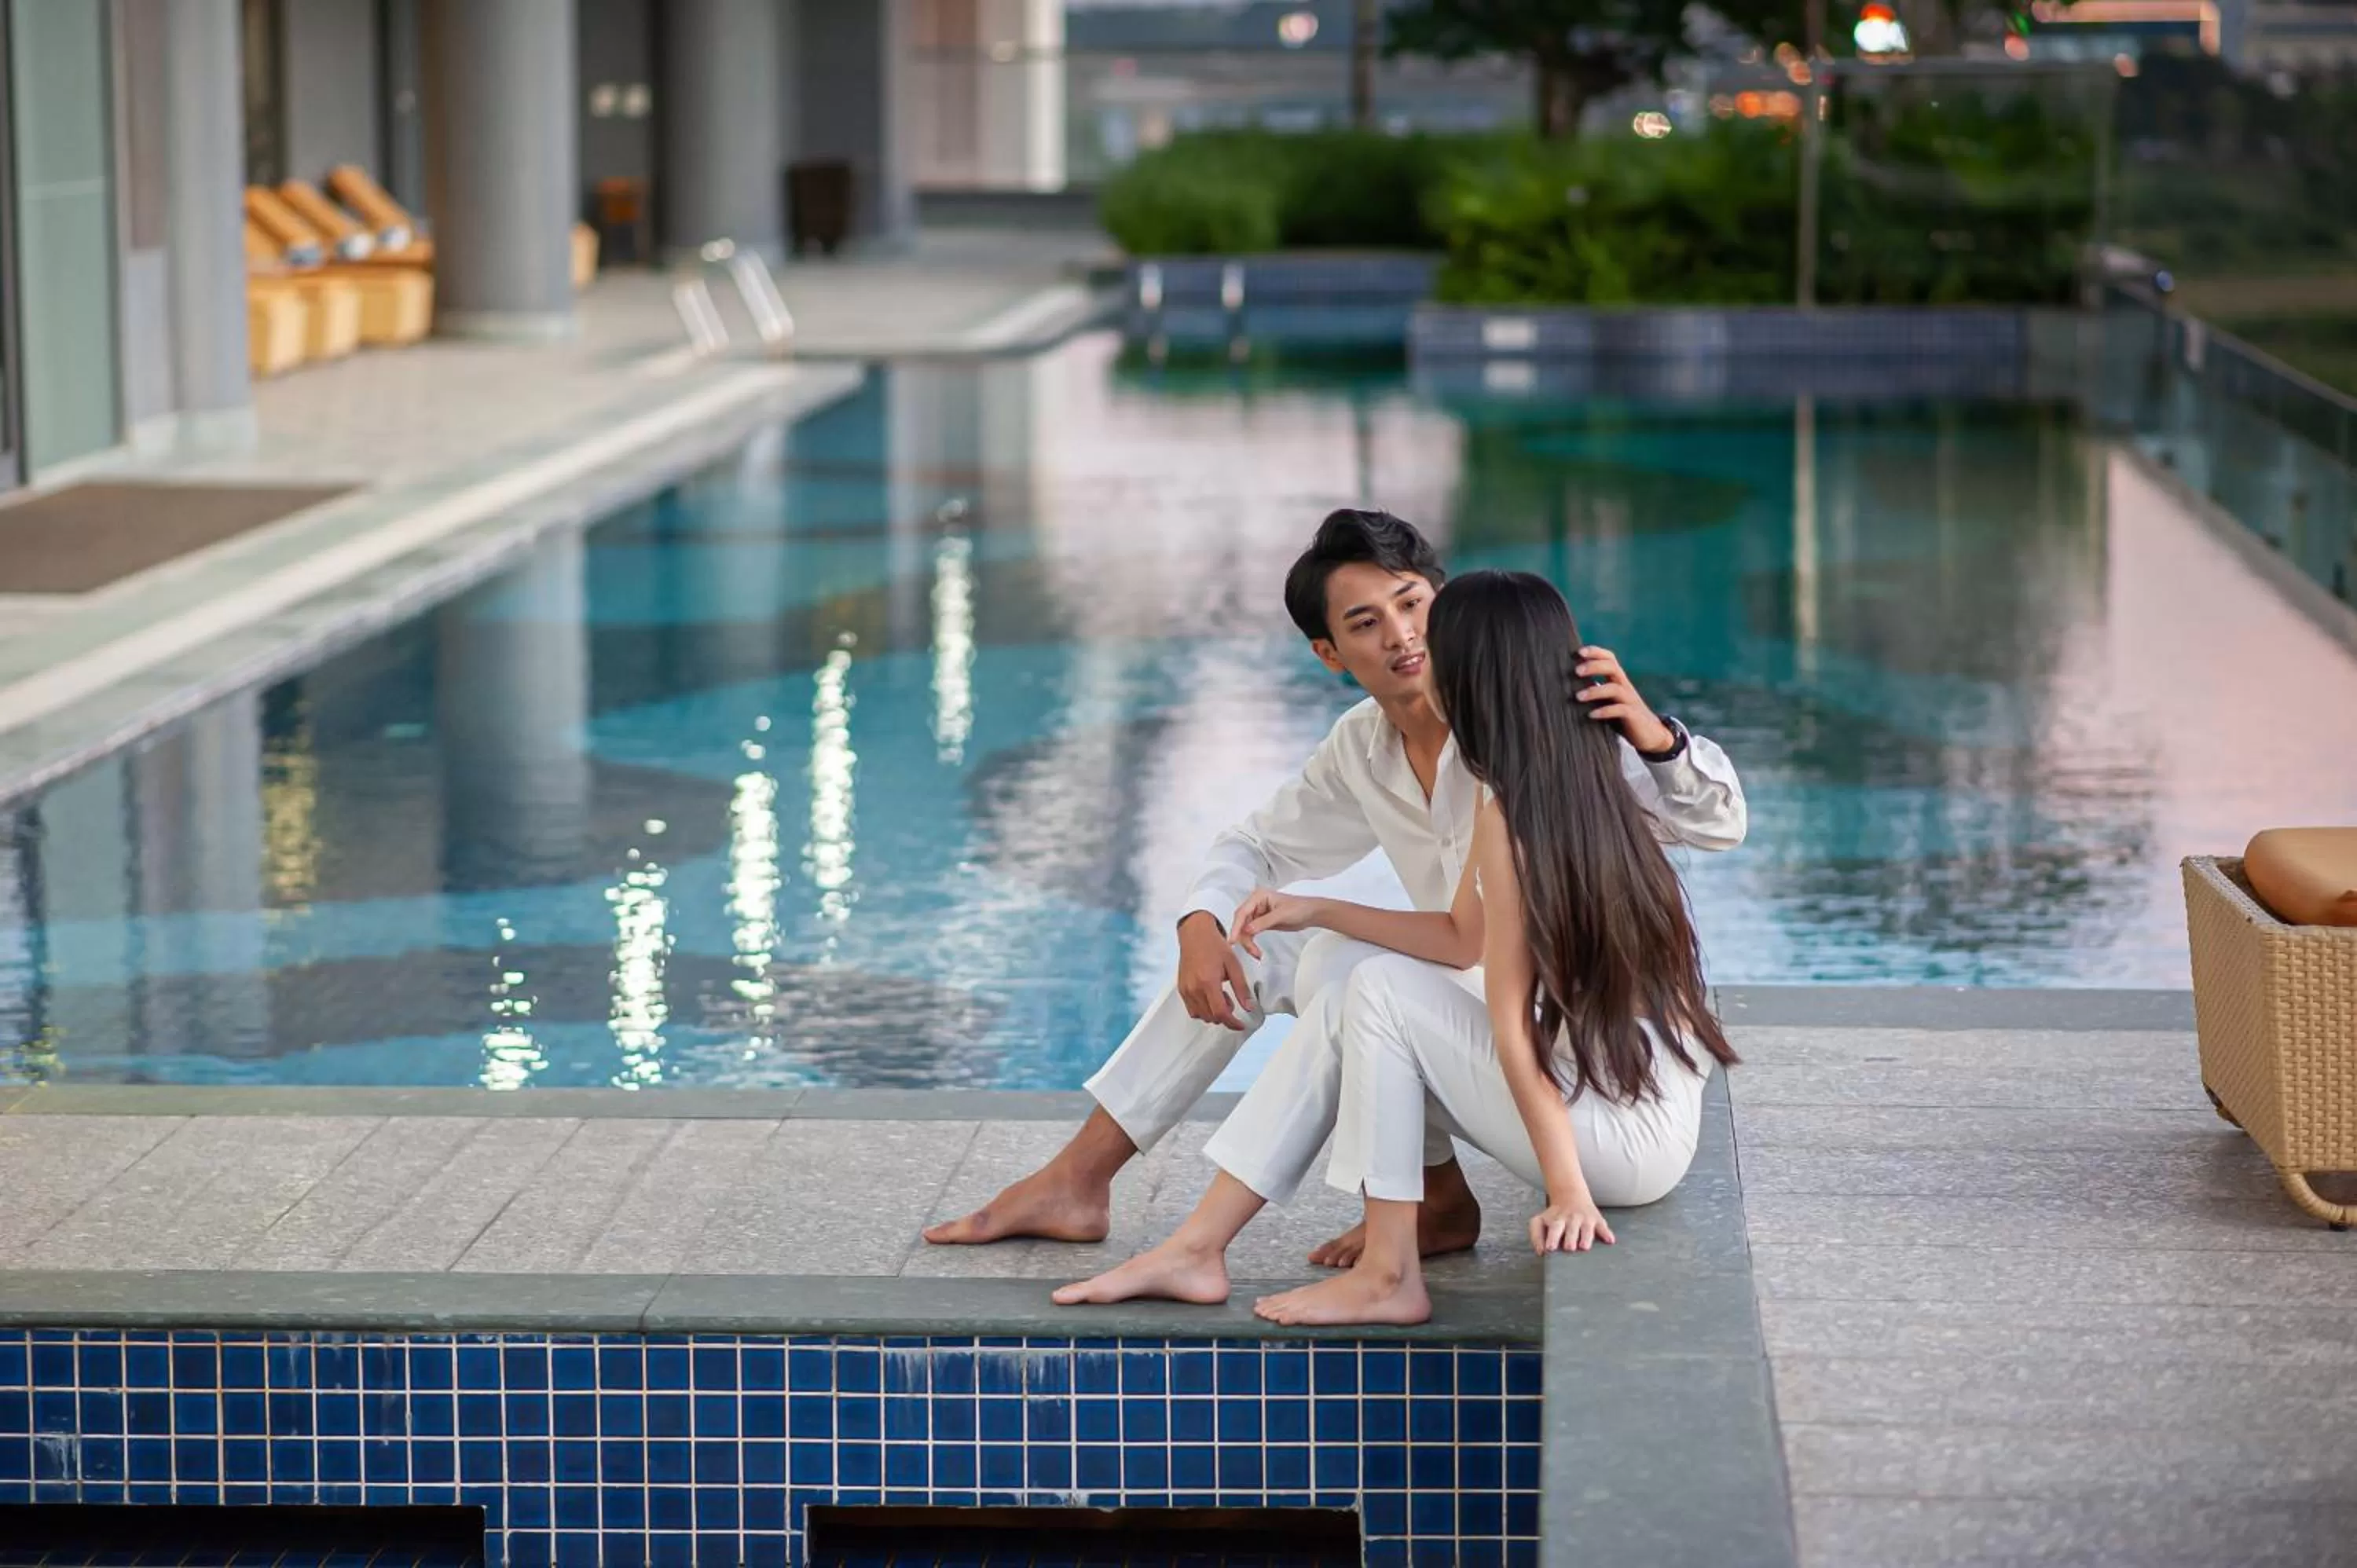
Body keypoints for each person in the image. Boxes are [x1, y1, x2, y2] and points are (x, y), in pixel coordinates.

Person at [924, 511, 1745, 1260]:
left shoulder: (1535, 721)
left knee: (1357, 979)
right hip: (1476, 986)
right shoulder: (1363, 747)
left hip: (1565, 1024)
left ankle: (1333, 1226)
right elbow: (1258, 845)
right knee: (1271, 941)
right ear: (1330, 654)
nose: (1403, 635)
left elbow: (1719, 825)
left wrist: (1658, 738)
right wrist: (1201, 922)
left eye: (1413, 603)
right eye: (1366, 622)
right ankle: (1083, 1177)